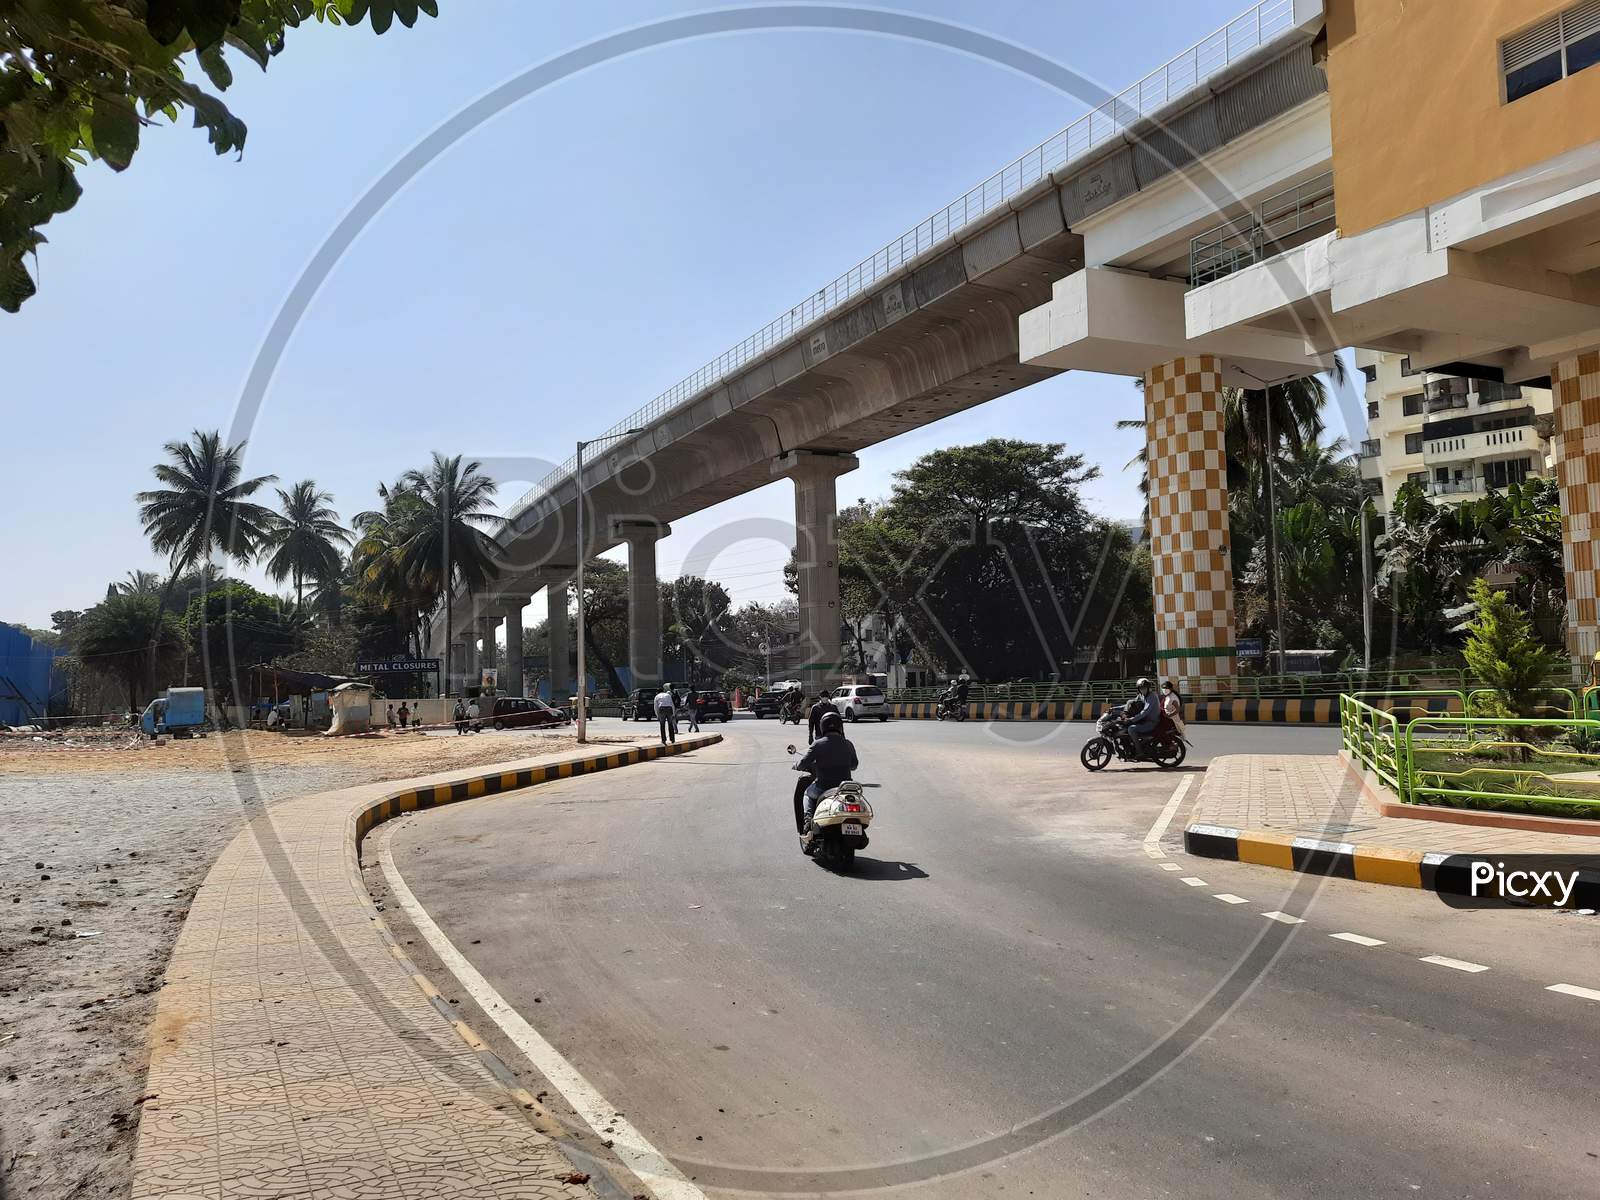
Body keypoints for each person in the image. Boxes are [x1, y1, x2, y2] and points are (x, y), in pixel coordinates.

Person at [795, 710, 859, 836]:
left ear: (822, 726)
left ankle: (808, 819)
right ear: (840, 726)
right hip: (844, 789)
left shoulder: (818, 744)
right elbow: (854, 765)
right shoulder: (848, 744)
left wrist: (797, 765)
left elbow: (803, 763)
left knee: (807, 794)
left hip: (823, 788)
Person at [1124, 677, 1161, 756]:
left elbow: (1145, 712)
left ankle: (1139, 751)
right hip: (1144, 721)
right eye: (1141, 688)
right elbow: (1131, 704)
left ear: (1148, 688)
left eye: (1144, 688)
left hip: (1151, 723)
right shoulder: (1141, 696)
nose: (1143, 689)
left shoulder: (1152, 696)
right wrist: (1113, 709)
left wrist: (1131, 720)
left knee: (1131, 729)